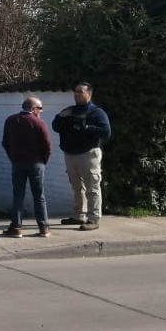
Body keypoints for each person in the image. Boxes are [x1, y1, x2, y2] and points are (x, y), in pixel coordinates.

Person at [52, 82, 112, 231]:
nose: (77, 94)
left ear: (89, 94)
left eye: (80, 92)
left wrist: (86, 128)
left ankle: (93, 219)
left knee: (92, 186)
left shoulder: (97, 112)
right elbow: (55, 127)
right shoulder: (69, 111)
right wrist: (60, 117)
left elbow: (106, 132)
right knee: (77, 186)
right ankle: (79, 215)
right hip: (70, 153)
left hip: (88, 153)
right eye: (76, 92)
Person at [1, 96, 52, 237]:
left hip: (18, 163)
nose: (41, 111)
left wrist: (13, 158)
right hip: (36, 163)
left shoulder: (10, 121)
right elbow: (47, 145)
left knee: (18, 195)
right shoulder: (39, 123)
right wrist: (43, 161)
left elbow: (5, 142)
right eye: (40, 108)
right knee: (39, 196)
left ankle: (16, 227)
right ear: (33, 108)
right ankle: (43, 227)